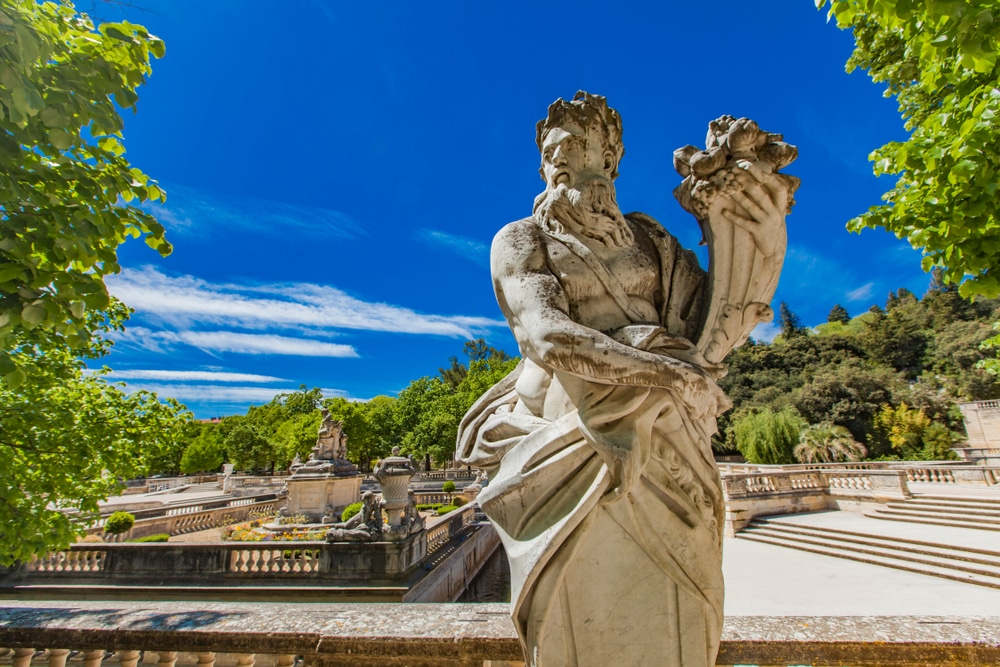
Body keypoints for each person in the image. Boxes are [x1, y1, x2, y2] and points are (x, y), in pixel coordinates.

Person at [456, 92, 793, 666]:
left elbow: (714, 330)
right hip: (569, 441)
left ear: (610, 156)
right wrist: (669, 375)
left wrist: (758, 230)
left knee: (683, 599)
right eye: (548, 152)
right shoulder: (522, 239)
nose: (556, 161)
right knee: (573, 618)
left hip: (668, 440)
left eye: (571, 147)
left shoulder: (652, 241)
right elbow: (547, 338)